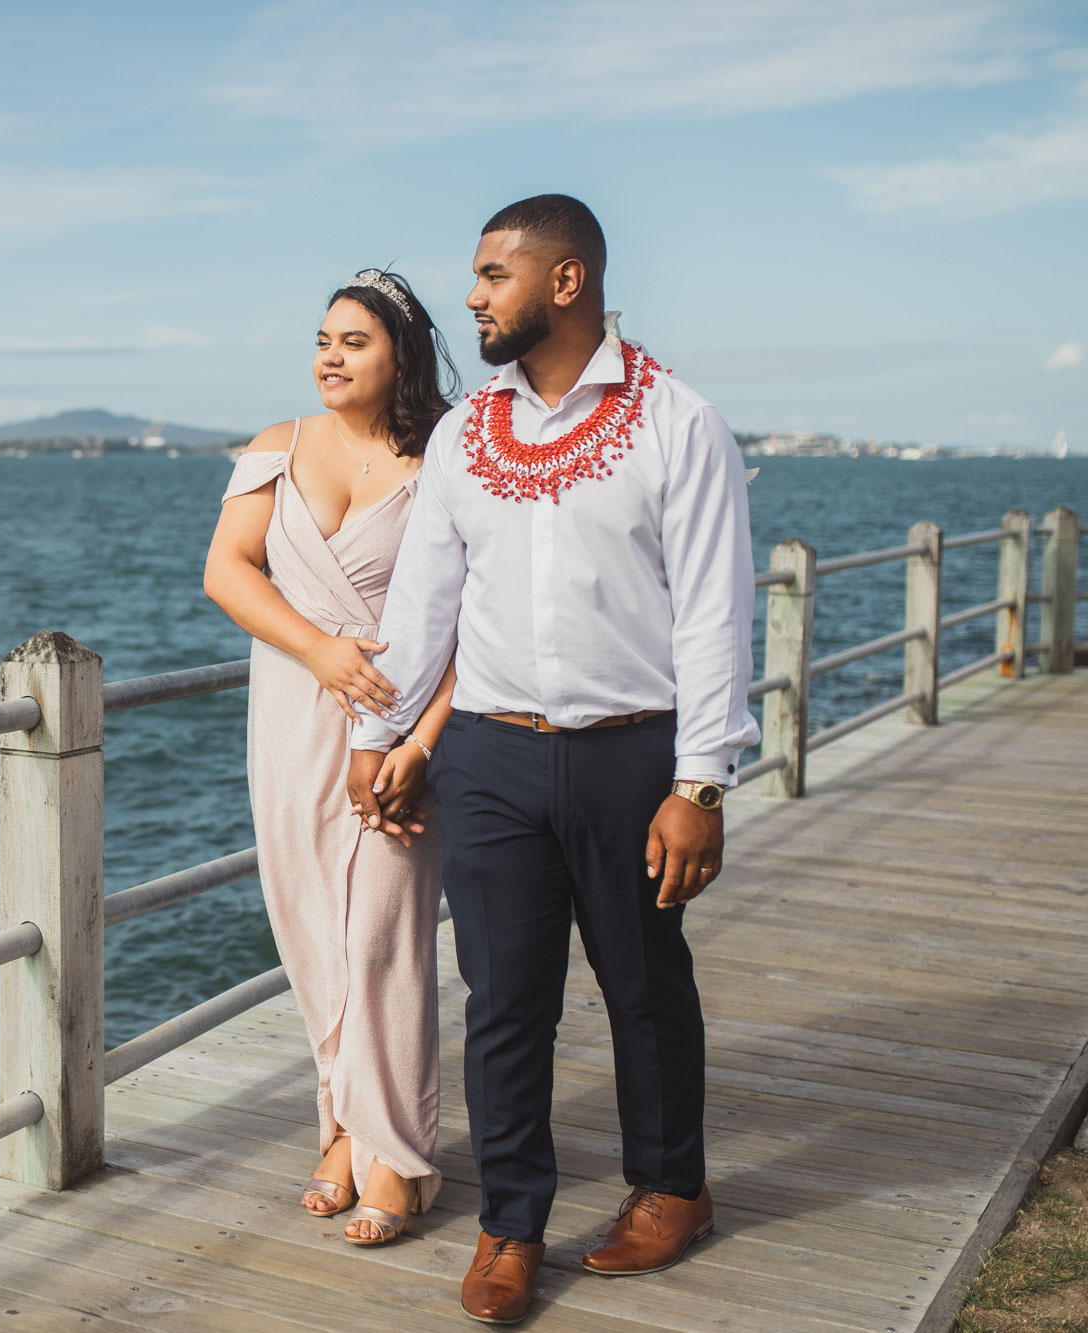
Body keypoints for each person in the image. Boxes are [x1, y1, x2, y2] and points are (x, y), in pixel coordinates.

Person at [348, 197, 756, 1324]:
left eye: (490, 275)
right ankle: (509, 1223)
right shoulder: (466, 436)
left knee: (643, 988)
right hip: (486, 757)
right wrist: (375, 734)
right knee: (503, 1002)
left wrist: (698, 783)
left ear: (563, 282)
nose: (470, 297)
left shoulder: (676, 422)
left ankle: (672, 1187)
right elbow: (424, 602)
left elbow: (714, 617)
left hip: (634, 758)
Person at [204, 268, 461, 1247]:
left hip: (398, 716)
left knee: (382, 936)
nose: (327, 356)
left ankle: (400, 1152)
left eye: (352, 340)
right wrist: (315, 649)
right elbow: (225, 570)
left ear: (399, 351)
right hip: (289, 710)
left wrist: (423, 736)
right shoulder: (276, 446)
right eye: (320, 339)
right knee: (311, 928)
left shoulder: (447, 453)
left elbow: (469, 615)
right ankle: (343, 1129)